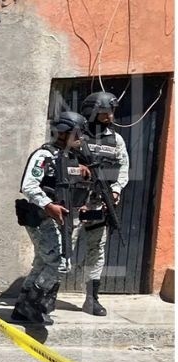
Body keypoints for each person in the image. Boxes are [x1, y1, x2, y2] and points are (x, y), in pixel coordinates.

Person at [11, 111, 90, 325]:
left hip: (60, 219)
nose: (81, 138)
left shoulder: (70, 157)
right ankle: (34, 305)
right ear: (64, 133)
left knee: (42, 262)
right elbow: (28, 185)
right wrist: (48, 205)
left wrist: (80, 173)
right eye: (77, 134)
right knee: (58, 263)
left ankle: (21, 308)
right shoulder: (45, 155)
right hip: (41, 217)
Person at [75, 91, 130, 316]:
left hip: (100, 204)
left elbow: (124, 166)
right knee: (62, 249)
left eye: (111, 112)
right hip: (75, 205)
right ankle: (47, 296)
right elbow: (58, 161)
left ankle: (91, 298)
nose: (110, 116)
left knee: (96, 250)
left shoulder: (116, 139)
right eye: (106, 112)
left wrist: (116, 190)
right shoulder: (74, 135)